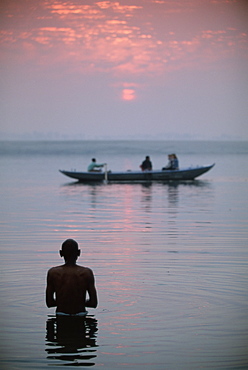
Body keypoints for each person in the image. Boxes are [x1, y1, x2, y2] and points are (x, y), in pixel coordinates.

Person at [46, 239, 98, 316]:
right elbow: (93, 303)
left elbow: (49, 303)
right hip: (80, 314)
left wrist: (63, 302)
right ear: (79, 253)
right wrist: (77, 303)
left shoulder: (53, 273)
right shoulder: (86, 273)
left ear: (61, 253)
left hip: (61, 314)